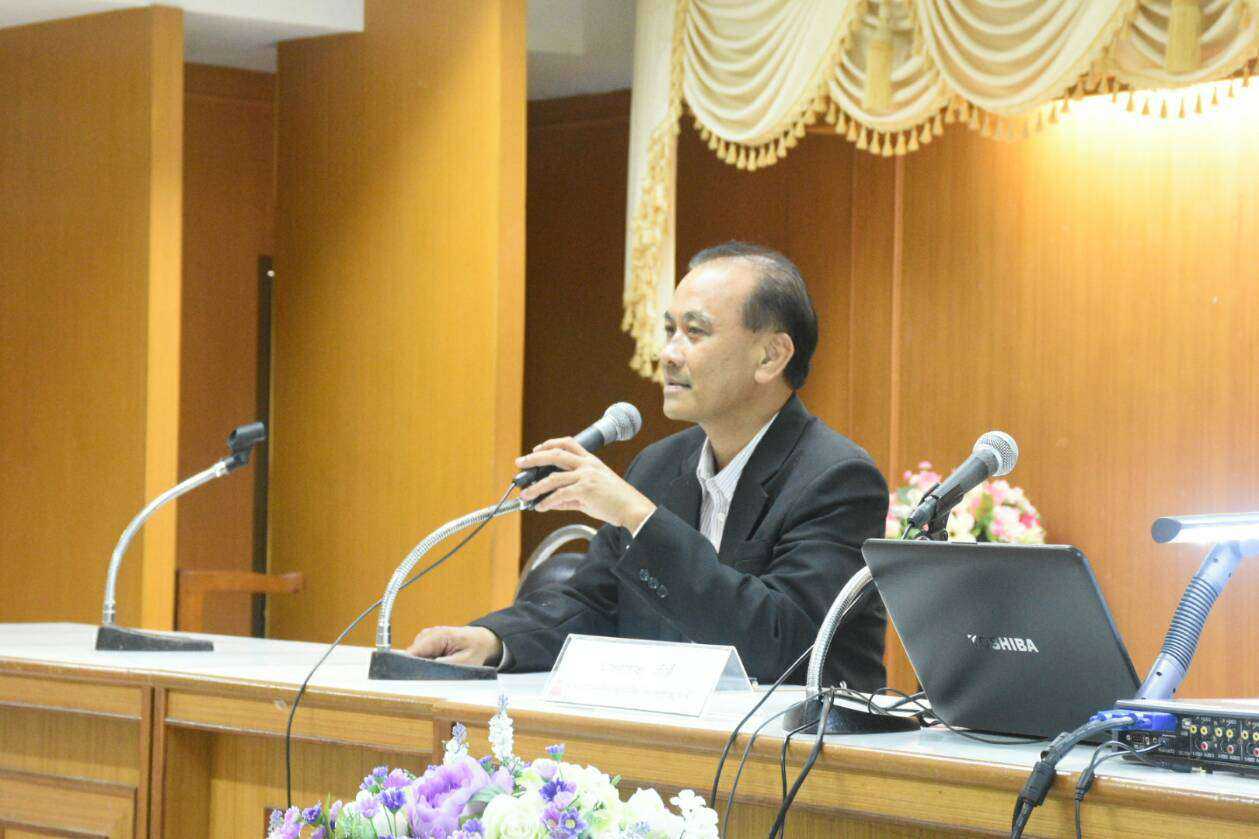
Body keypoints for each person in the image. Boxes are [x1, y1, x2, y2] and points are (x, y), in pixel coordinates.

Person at [408, 242, 890, 688]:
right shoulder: (659, 467)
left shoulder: (836, 479)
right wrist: (494, 641)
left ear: (770, 356)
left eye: (695, 332)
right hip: (673, 739)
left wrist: (640, 517)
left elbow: (783, 643)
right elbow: (594, 605)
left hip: (799, 747)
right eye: (669, 330)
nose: (669, 354)